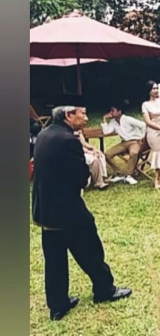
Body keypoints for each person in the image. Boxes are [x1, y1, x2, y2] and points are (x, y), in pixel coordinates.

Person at [32, 105, 131, 321]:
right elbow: (80, 177)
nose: (86, 118)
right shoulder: (68, 140)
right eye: (82, 114)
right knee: (90, 249)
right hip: (67, 209)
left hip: (46, 209)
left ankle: (58, 306)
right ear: (68, 116)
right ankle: (104, 289)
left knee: (55, 259)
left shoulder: (44, 134)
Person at [101, 104, 146, 185]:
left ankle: (129, 175)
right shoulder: (113, 122)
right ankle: (121, 174)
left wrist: (142, 138)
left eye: (113, 111)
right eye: (111, 111)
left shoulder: (127, 119)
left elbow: (143, 125)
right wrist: (104, 119)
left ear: (119, 112)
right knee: (107, 154)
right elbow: (106, 132)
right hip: (124, 143)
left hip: (134, 141)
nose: (111, 113)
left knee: (134, 152)